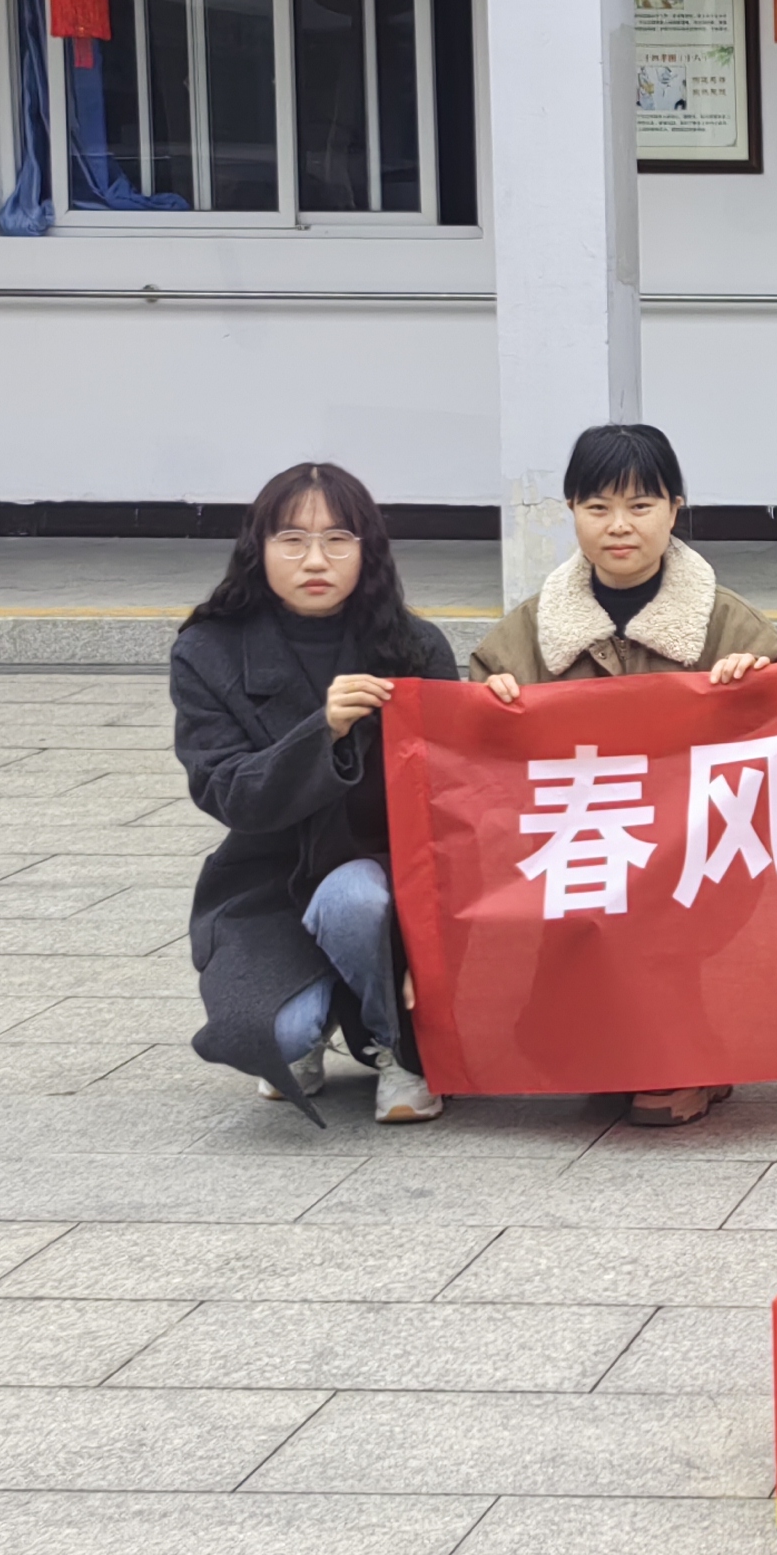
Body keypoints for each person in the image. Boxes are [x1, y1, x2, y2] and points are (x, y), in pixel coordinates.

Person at [471, 421, 777, 1126]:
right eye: (598, 507)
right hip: (582, 850)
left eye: (641, 506)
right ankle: (625, 1043)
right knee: (548, 1041)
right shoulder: (526, 634)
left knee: (661, 915)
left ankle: (684, 1057)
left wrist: (760, 687)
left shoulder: (729, 625)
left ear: (675, 509)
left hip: (692, 855)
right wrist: (489, 707)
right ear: (571, 512)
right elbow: (479, 769)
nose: (619, 526)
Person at [173, 462, 461, 1126]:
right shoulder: (208, 650)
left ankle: (396, 1048)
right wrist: (320, 732)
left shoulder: (414, 647)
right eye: (292, 540)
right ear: (258, 547)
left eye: (337, 539)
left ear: (368, 550)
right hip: (269, 884)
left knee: (353, 897)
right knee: (277, 1038)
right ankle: (316, 1012)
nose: (314, 560)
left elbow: (454, 796)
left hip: (386, 882)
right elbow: (226, 790)